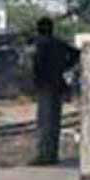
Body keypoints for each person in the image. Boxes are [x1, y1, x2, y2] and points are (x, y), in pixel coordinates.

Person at [30, 18, 79, 165]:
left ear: (38, 29)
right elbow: (77, 53)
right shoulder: (58, 43)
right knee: (54, 122)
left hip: (45, 85)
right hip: (58, 84)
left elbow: (37, 66)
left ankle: (44, 156)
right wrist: (64, 66)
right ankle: (52, 154)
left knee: (44, 122)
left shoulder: (39, 45)